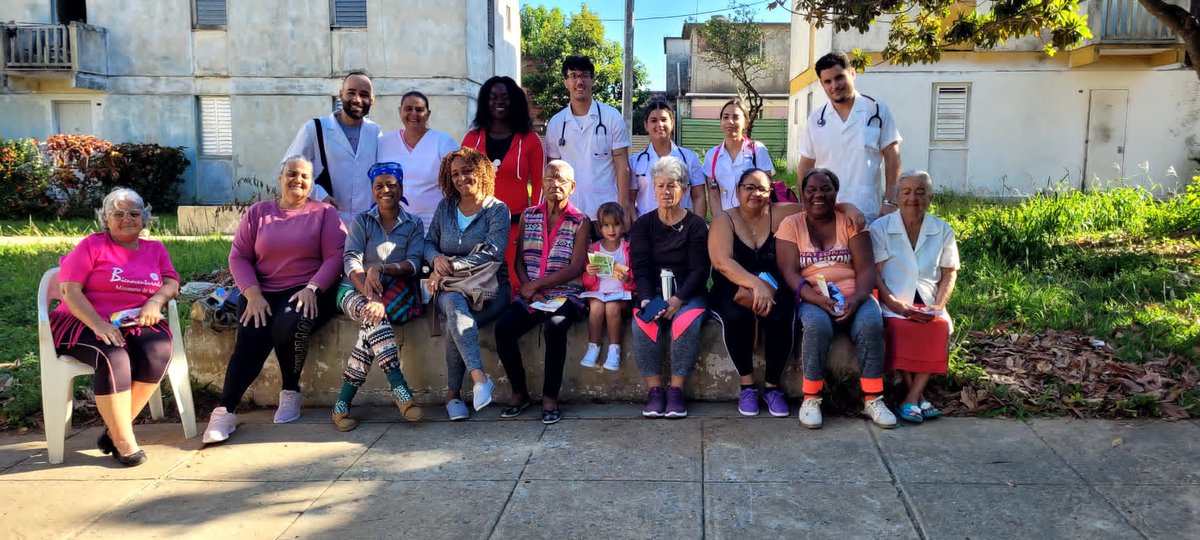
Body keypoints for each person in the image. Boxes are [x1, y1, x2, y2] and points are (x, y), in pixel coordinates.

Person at [202, 156, 347, 444]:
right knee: (251, 337)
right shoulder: (258, 213)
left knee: (288, 324)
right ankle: (225, 409)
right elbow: (239, 257)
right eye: (292, 174)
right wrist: (252, 294)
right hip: (263, 291)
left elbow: (335, 257)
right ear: (280, 178)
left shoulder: (324, 213)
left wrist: (312, 288)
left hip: (310, 290)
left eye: (305, 176)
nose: (298, 180)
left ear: (312, 183)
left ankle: (290, 390)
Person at [49, 188, 180, 466]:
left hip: (134, 320)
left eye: (134, 213)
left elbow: (171, 282)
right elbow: (70, 291)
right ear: (105, 219)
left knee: (157, 350)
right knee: (113, 356)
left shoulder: (155, 249)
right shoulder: (91, 246)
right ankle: (123, 441)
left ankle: (113, 429)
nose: (127, 219)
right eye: (118, 214)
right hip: (83, 320)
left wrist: (155, 302)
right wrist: (98, 324)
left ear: (144, 219)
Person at [777, 168, 896, 429]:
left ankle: (873, 398)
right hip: (813, 295)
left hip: (855, 293)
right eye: (811, 190)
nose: (818, 194)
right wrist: (815, 299)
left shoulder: (850, 221)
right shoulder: (791, 225)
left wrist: (856, 300)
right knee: (817, 326)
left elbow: (866, 269)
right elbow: (789, 272)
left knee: (870, 324)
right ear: (803, 194)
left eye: (826, 189)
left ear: (836, 193)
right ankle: (811, 398)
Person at [330, 162, 426, 432]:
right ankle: (400, 389)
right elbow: (351, 261)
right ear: (372, 191)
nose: (386, 190)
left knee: (370, 329)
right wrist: (370, 294)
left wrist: (383, 269)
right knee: (371, 315)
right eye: (379, 186)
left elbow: (415, 263)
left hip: (394, 293)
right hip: (354, 290)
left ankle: (342, 404)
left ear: (401, 188)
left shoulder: (414, 224)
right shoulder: (362, 221)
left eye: (392, 185)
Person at [493, 160, 590, 424]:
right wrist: (529, 288)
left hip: (565, 294)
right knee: (504, 328)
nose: (554, 184)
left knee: (555, 327)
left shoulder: (580, 221)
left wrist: (537, 286)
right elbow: (519, 260)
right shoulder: (529, 215)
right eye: (549, 179)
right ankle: (519, 392)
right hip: (530, 294)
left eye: (561, 180)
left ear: (572, 187)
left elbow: (576, 267)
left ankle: (549, 397)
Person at [424, 148, 512, 420]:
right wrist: (436, 258)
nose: (461, 178)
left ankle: (452, 394)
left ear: (481, 172)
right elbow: (428, 242)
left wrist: (451, 266)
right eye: (455, 174)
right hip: (450, 287)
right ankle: (479, 379)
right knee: (453, 304)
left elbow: (492, 252)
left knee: (456, 320)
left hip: (489, 287)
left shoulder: (497, 210)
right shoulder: (446, 207)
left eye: (467, 171)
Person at [870, 171, 960, 423]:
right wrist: (892, 302)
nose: (913, 198)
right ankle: (917, 398)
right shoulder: (881, 228)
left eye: (920, 192)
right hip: (895, 298)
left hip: (929, 299)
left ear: (930, 198)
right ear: (897, 196)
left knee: (938, 326)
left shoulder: (942, 229)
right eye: (907, 192)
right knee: (899, 327)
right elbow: (875, 274)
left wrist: (938, 306)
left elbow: (949, 273)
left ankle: (912, 397)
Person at [708, 169, 799, 418]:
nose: (755, 193)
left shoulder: (781, 213)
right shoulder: (723, 220)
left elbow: (818, 207)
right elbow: (721, 262)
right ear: (738, 190)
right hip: (731, 288)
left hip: (772, 289)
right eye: (749, 187)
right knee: (737, 317)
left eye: (762, 189)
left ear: (770, 193)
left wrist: (849, 209)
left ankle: (773, 387)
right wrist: (754, 284)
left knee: (782, 315)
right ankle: (747, 386)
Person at [629, 156, 710, 419]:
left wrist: (677, 299)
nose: (666, 191)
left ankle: (676, 391)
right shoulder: (643, 225)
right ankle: (654, 392)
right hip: (652, 292)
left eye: (672, 185)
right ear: (653, 188)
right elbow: (639, 267)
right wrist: (645, 299)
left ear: (684, 190)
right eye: (660, 185)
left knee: (685, 322)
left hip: (689, 294)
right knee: (642, 323)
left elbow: (700, 270)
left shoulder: (696, 225)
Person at [798, 52, 902, 224]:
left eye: (839, 78)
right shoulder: (816, 119)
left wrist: (890, 201)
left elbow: (893, 159)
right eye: (828, 82)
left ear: (852, 73)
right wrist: (805, 206)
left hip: (868, 210)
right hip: (826, 212)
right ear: (822, 84)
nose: (835, 85)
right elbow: (805, 166)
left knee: (866, 251)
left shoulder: (876, 111)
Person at [462, 76, 546, 285]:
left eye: (505, 97)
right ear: (484, 102)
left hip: (516, 227)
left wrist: (533, 226)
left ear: (514, 101)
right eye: (493, 97)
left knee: (515, 283)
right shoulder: (472, 139)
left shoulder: (529, 140)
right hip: (478, 226)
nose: (499, 101)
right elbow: (460, 183)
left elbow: (540, 185)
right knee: (479, 283)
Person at [283, 70, 380, 223]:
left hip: (366, 224)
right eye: (351, 92)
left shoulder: (375, 132)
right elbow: (287, 168)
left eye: (364, 94)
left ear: (372, 100)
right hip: (323, 219)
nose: (357, 99)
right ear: (341, 95)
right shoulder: (315, 128)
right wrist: (320, 195)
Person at [545, 55, 633, 221]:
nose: (579, 82)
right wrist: (553, 210)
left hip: (606, 213)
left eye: (584, 75)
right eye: (573, 76)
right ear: (565, 81)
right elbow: (552, 171)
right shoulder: (556, 123)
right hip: (567, 212)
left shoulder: (611, 117)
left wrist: (623, 208)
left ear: (592, 80)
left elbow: (622, 165)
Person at [378, 90, 459, 227]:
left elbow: (457, 182)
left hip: (434, 224)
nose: (413, 114)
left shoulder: (443, 142)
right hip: (394, 224)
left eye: (419, 109)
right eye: (408, 109)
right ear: (400, 111)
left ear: (428, 114)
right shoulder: (384, 143)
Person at [580, 201, 634, 371]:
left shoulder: (628, 249)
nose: (611, 230)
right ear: (599, 227)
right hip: (599, 293)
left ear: (623, 225)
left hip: (621, 295)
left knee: (611, 308)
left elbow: (635, 279)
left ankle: (614, 350)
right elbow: (587, 283)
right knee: (596, 308)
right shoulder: (593, 249)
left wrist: (627, 279)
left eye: (616, 224)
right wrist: (589, 272)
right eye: (606, 225)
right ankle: (593, 348)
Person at [630, 101, 705, 218]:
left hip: (682, 230)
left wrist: (697, 229)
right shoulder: (635, 162)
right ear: (646, 125)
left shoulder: (689, 158)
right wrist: (637, 229)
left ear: (672, 122)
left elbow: (698, 196)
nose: (659, 124)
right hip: (647, 230)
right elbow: (630, 201)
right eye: (654, 120)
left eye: (664, 119)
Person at [703, 100, 776, 214]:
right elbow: (713, 196)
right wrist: (720, 221)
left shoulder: (758, 150)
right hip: (726, 221)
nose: (730, 121)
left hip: (755, 219)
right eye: (725, 117)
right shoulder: (711, 156)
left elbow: (765, 190)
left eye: (736, 117)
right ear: (721, 122)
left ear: (746, 123)